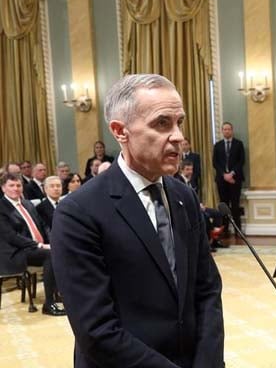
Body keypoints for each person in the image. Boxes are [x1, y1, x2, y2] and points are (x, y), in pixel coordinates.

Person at [51, 74, 224, 367]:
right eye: (162, 123)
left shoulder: (184, 196)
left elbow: (207, 290)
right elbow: (96, 331)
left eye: (179, 122)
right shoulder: (78, 212)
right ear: (121, 131)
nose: (179, 136)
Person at [0, 173, 65, 316]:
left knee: (61, 250)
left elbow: (42, 226)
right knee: (49, 255)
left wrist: (52, 242)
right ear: (3, 188)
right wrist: (39, 245)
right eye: (11, 185)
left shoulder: (27, 204)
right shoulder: (2, 208)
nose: (16, 188)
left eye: (18, 185)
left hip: (33, 248)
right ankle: (48, 304)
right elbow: (12, 237)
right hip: (15, 252)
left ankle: (61, 293)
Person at [212, 122, 245, 233]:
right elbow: (215, 163)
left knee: (235, 205)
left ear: (232, 130)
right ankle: (225, 230)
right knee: (224, 205)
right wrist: (224, 175)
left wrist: (232, 173)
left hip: (235, 179)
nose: (227, 131)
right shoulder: (218, 145)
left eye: (228, 129)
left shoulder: (239, 144)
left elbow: (241, 161)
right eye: (224, 129)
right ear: (222, 131)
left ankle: (238, 231)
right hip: (222, 180)